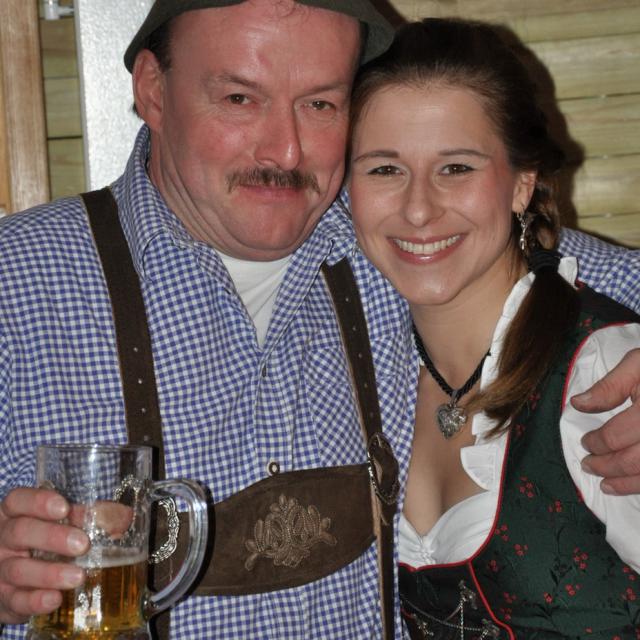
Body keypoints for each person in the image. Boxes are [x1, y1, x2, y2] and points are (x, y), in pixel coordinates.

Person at [0, 3, 639, 638]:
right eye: (240, 98)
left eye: (321, 104)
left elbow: (569, 280)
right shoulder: (17, 283)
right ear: (154, 91)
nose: (285, 150)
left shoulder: (404, 247)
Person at [347, 18, 640, 637]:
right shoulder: (364, 362)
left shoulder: (603, 375)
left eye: (456, 168)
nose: (418, 209)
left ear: (522, 183)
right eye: (383, 170)